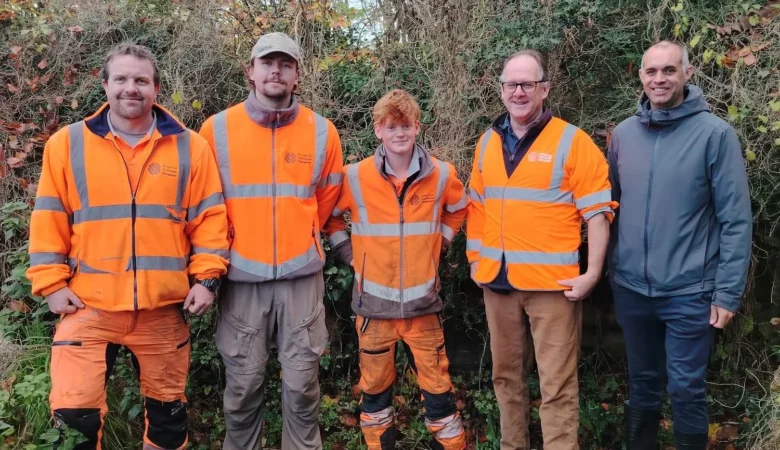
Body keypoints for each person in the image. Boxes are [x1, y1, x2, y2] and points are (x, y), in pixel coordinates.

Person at [26, 43, 229, 450]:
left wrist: (206, 280)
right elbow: (49, 217)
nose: (130, 88)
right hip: (88, 306)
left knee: (169, 421)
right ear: (105, 84)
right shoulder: (67, 145)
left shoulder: (191, 147)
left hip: (163, 309)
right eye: (120, 79)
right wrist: (50, 283)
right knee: (72, 421)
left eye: (140, 80)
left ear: (156, 87)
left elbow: (209, 220)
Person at [198, 32, 344, 450]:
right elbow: (206, 207)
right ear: (251, 71)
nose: (275, 70)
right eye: (267, 62)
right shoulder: (217, 129)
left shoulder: (322, 132)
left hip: (301, 280)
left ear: (298, 75)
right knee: (242, 390)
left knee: (302, 389)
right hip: (241, 281)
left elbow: (325, 201)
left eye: (285, 63)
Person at [466, 49, 617, 450]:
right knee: (506, 379)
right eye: (511, 84)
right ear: (501, 90)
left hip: (554, 288)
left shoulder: (573, 142)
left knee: (557, 386)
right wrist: (474, 259)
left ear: (544, 89)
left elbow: (598, 214)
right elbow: (477, 206)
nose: (518, 92)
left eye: (527, 84)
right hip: (497, 283)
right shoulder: (487, 142)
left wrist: (592, 273)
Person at [607, 40, 752, 450]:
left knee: (686, 388)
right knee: (642, 383)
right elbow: (611, 209)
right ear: (640, 76)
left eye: (669, 70)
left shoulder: (715, 135)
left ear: (688, 73)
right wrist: (614, 271)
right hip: (633, 289)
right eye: (651, 71)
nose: (659, 79)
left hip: (690, 291)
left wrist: (726, 292)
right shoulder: (622, 136)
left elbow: (735, 220)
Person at [325, 89, 469, 450]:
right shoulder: (354, 177)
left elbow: (460, 207)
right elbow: (330, 218)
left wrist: (442, 242)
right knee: (374, 398)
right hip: (374, 311)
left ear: (417, 127)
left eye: (405, 125)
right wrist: (348, 253)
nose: (399, 133)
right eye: (391, 126)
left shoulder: (441, 174)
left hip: (424, 310)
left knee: (439, 396)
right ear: (378, 130)